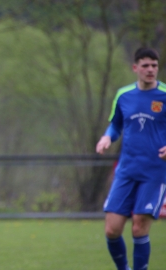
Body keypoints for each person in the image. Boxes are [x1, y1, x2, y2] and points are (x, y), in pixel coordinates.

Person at [96, 47, 166, 270]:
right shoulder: (124, 95)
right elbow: (116, 125)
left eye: (154, 65)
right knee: (112, 229)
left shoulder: (164, 95)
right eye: (145, 65)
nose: (150, 70)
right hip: (126, 171)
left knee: (139, 227)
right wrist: (107, 137)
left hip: (155, 172)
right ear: (135, 68)